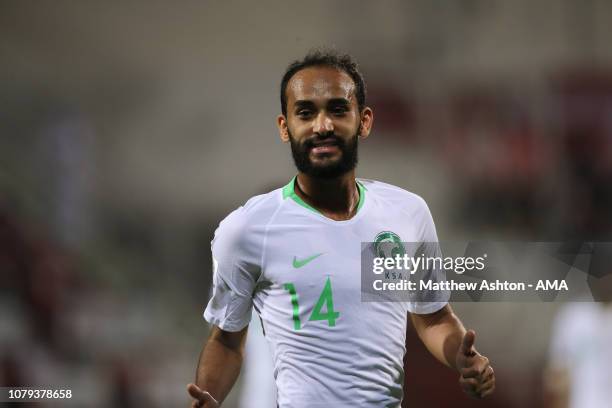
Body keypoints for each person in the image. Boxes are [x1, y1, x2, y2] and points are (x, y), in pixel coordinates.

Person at [187, 50, 495, 407]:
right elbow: (226, 340)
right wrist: (209, 398)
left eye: (337, 109)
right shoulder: (245, 230)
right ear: (284, 127)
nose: (322, 126)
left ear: (363, 121)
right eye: (305, 113)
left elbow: (434, 318)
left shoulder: (407, 214)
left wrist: (461, 358)